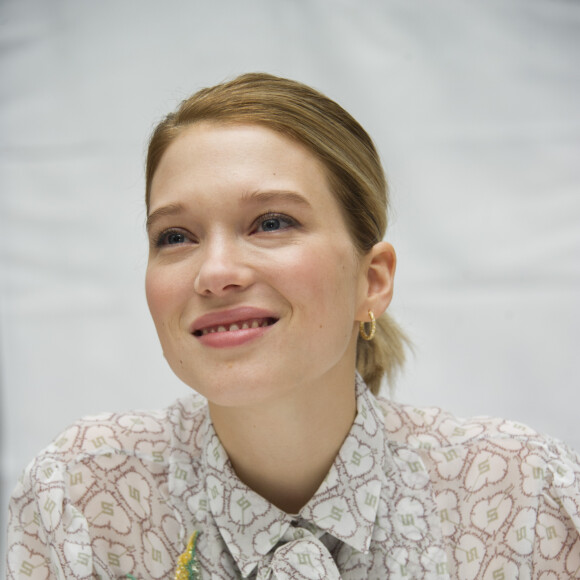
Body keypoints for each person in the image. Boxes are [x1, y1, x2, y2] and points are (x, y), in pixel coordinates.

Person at [6, 73, 580, 579]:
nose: (216, 273)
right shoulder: (82, 497)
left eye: (271, 222)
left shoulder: (521, 494)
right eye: (175, 237)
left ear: (372, 280)